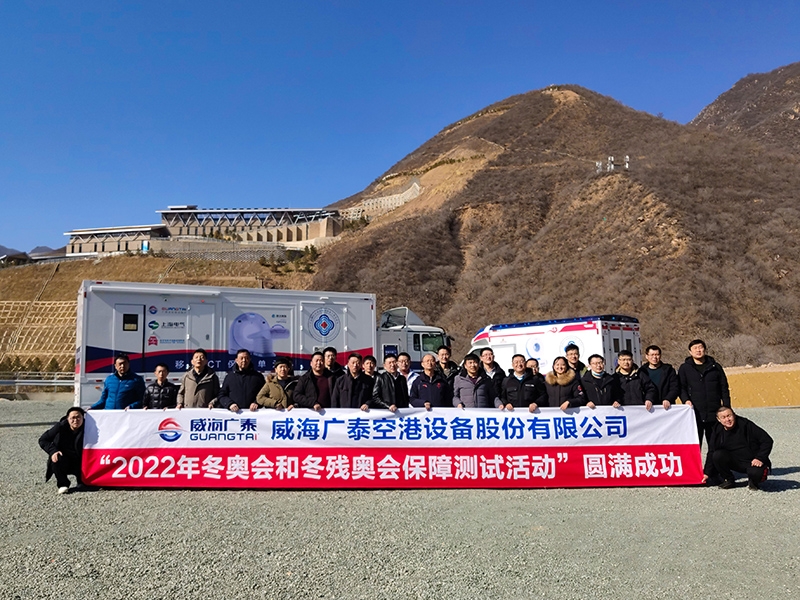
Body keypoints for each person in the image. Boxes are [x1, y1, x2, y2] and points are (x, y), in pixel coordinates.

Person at [703, 407, 773, 490]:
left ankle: (753, 482)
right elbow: (711, 451)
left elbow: (767, 440)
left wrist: (760, 458)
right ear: (718, 419)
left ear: (734, 415)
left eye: (729, 416)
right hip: (734, 462)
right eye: (723, 417)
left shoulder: (746, 424)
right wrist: (707, 473)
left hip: (752, 461)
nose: (727, 420)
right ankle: (729, 479)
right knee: (717, 455)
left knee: (756, 473)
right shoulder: (717, 430)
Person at [678, 339, 731, 446]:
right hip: (694, 412)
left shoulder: (715, 367)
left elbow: (724, 388)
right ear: (690, 352)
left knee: (715, 445)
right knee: (695, 445)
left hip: (714, 412)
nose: (698, 350)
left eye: (700, 347)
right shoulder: (684, 368)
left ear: (705, 349)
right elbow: (681, 387)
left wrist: (726, 407)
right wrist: (686, 400)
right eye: (695, 348)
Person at [38, 406, 87, 494]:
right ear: (68, 419)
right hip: (64, 458)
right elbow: (43, 440)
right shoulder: (60, 427)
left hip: (81, 460)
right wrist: (53, 451)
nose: (75, 420)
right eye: (72, 418)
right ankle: (63, 484)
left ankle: (82, 482)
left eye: (78, 417)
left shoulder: (89, 428)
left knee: (87, 485)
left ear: (83, 418)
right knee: (56, 458)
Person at [638, 345, 679, 410]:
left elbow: (674, 387)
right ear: (647, 356)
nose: (654, 357)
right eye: (652, 355)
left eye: (657, 354)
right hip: (647, 406)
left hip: (666, 406)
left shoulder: (669, 370)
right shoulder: (641, 371)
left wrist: (668, 399)